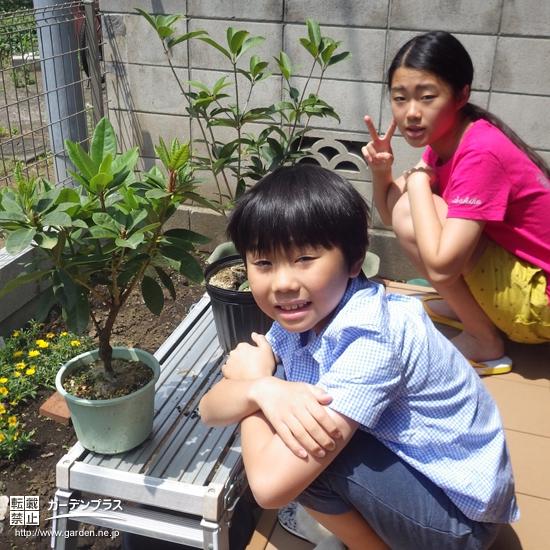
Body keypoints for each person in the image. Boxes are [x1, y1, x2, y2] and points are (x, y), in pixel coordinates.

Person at [199, 164, 519, 550]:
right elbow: (208, 410)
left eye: (305, 259)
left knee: (303, 448)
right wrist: (261, 389)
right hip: (427, 478)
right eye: (264, 262)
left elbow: (268, 488)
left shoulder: (369, 338)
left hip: (459, 521)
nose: (283, 283)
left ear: (354, 261)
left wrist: (257, 389)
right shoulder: (302, 317)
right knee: (293, 415)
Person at [362, 31, 550, 373]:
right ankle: (471, 308)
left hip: (539, 303)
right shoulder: (449, 136)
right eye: (400, 98)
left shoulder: (480, 152)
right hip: (525, 280)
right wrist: (382, 171)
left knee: (416, 207)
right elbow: (389, 213)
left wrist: (418, 181)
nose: (411, 113)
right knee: (414, 206)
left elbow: (441, 265)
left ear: (461, 94)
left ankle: (483, 339)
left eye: (427, 97)